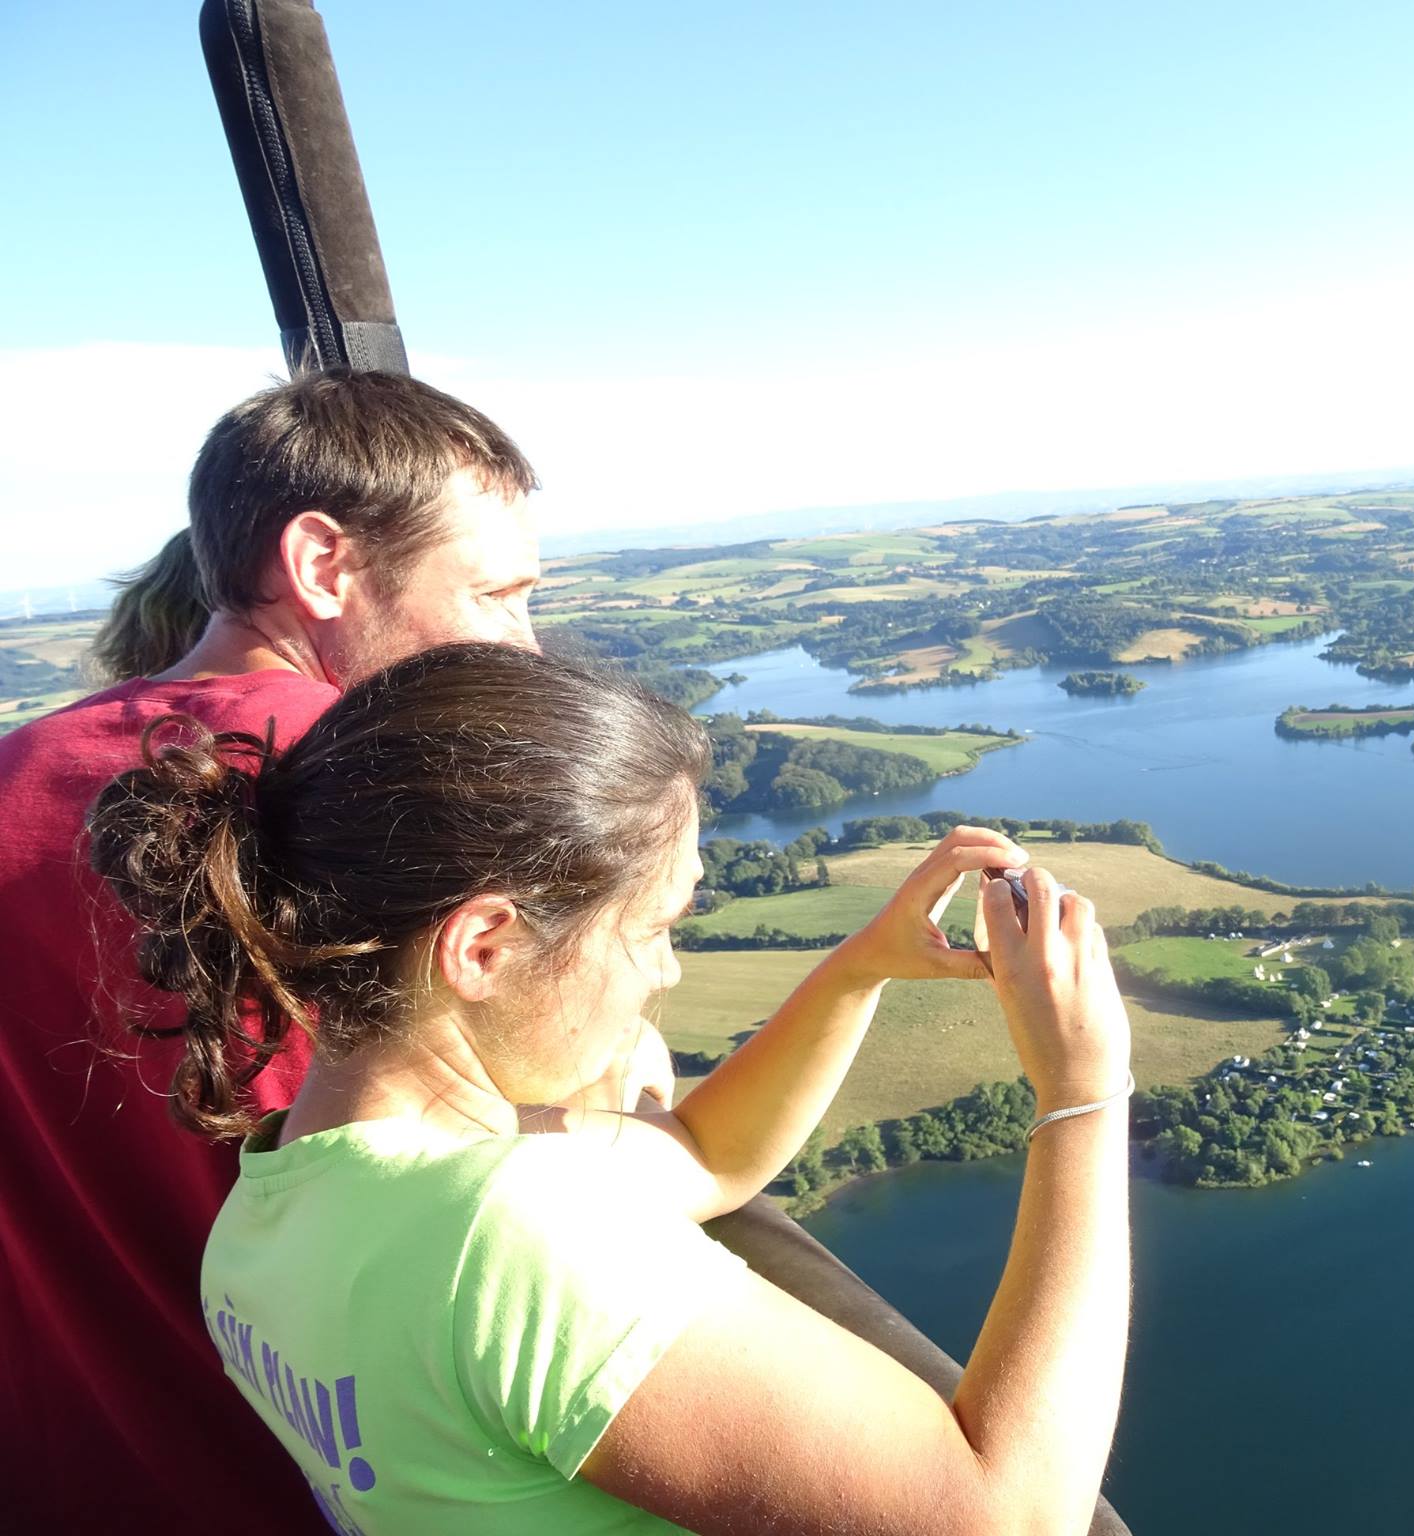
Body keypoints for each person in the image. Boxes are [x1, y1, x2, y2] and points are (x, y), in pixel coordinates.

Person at [89, 643, 1134, 1533]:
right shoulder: (510, 1236)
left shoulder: (272, 1213)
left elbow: (705, 1158)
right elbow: (1008, 1512)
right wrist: (1085, 1091)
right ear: (486, 945)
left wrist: (860, 964)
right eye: (655, 929)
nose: (666, 972)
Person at [0, 369, 542, 1528]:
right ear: (322, 565)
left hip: (64, 1457)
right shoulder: (386, 799)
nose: (523, 650)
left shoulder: (16, 772)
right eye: (497, 596)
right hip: (342, 1469)